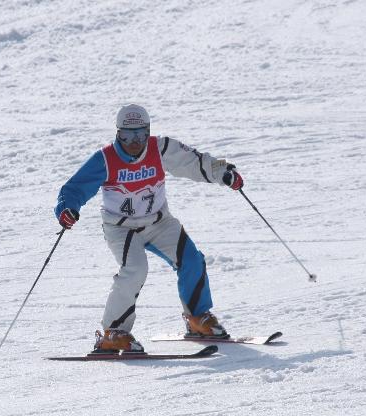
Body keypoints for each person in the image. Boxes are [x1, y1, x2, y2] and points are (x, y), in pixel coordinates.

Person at [54, 104, 244, 354]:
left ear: (148, 131)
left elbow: (194, 162)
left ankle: (197, 318)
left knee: (191, 259)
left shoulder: (160, 148)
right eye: (127, 136)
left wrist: (223, 173)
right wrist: (67, 209)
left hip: (159, 222)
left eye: (141, 135)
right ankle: (113, 333)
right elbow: (75, 188)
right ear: (118, 133)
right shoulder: (105, 158)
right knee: (135, 270)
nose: (134, 142)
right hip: (121, 228)